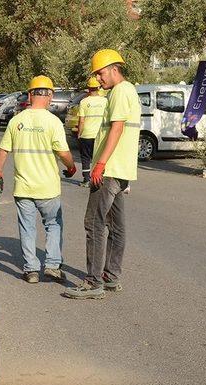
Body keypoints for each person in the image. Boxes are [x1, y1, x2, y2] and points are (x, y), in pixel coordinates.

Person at [64, 49, 140, 300]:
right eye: (96, 75)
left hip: (109, 170)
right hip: (121, 170)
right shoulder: (128, 91)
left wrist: (100, 163)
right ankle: (111, 277)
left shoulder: (119, 91)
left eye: (100, 73)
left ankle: (93, 282)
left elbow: (116, 129)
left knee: (94, 223)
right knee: (117, 227)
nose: (98, 79)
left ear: (114, 69)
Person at [0, 75, 76, 284]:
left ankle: (31, 270)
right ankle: (53, 266)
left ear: (30, 95)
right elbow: (64, 153)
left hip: (23, 188)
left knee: (27, 228)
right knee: (53, 225)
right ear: (50, 96)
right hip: (47, 188)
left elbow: (3, 150)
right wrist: (72, 167)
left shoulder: (17, 121)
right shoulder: (52, 122)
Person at [77, 77, 108, 187]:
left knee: (86, 158)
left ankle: (86, 180)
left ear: (89, 88)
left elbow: (81, 120)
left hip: (86, 134)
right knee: (99, 157)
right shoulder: (105, 101)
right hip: (100, 134)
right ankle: (99, 179)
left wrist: (79, 134)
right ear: (99, 87)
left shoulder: (83, 102)